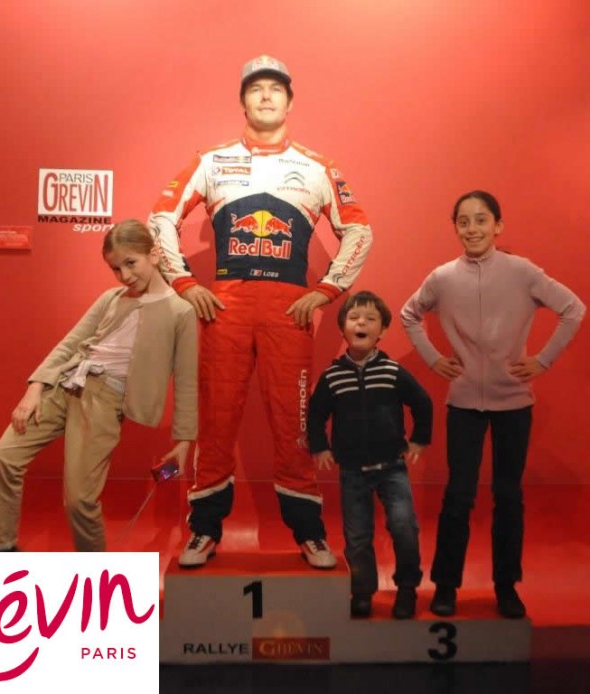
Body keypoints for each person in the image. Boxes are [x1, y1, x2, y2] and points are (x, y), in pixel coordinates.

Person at [148, 55, 373, 569]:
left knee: (293, 423)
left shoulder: (318, 166)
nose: (266, 96)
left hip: (287, 312)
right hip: (225, 309)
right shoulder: (212, 160)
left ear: (289, 101)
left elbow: (360, 229)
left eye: (276, 88)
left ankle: (309, 532)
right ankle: (204, 529)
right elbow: (161, 215)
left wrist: (327, 289)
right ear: (243, 101)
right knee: (217, 420)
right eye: (256, 89)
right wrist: (183, 280)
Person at [400, 190, 586, 618]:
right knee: (458, 495)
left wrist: (542, 360)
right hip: (464, 404)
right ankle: (446, 586)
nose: (472, 229)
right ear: (455, 228)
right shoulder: (443, 277)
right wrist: (432, 358)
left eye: (481, 220)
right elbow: (409, 314)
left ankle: (506, 587)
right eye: (463, 221)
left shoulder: (522, 272)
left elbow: (573, 309)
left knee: (508, 496)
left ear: (498, 226)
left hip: (514, 404)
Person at [0, 219, 198, 552]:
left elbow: (186, 380)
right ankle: (3, 547)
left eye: (131, 263)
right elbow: (70, 344)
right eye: (116, 268)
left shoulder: (180, 312)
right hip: (65, 385)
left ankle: (96, 572)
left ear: (154, 254)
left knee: (80, 500)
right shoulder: (110, 298)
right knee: (3, 456)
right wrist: (35, 389)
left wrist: (184, 441)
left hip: (104, 400)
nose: (124, 275)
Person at [308, 291, 432, 618]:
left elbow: (422, 403)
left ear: (383, 330)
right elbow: (316, 413)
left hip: (392, 467)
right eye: (353, 318)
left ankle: (407, 589)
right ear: (343, 329)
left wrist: (419, 440)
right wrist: (320, 446)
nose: (361, 323)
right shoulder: (332, 376)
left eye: (370, 319)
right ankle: (362, 592)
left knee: (404, 527)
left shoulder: (392, 371)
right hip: (352, 471)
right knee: (358, 536)